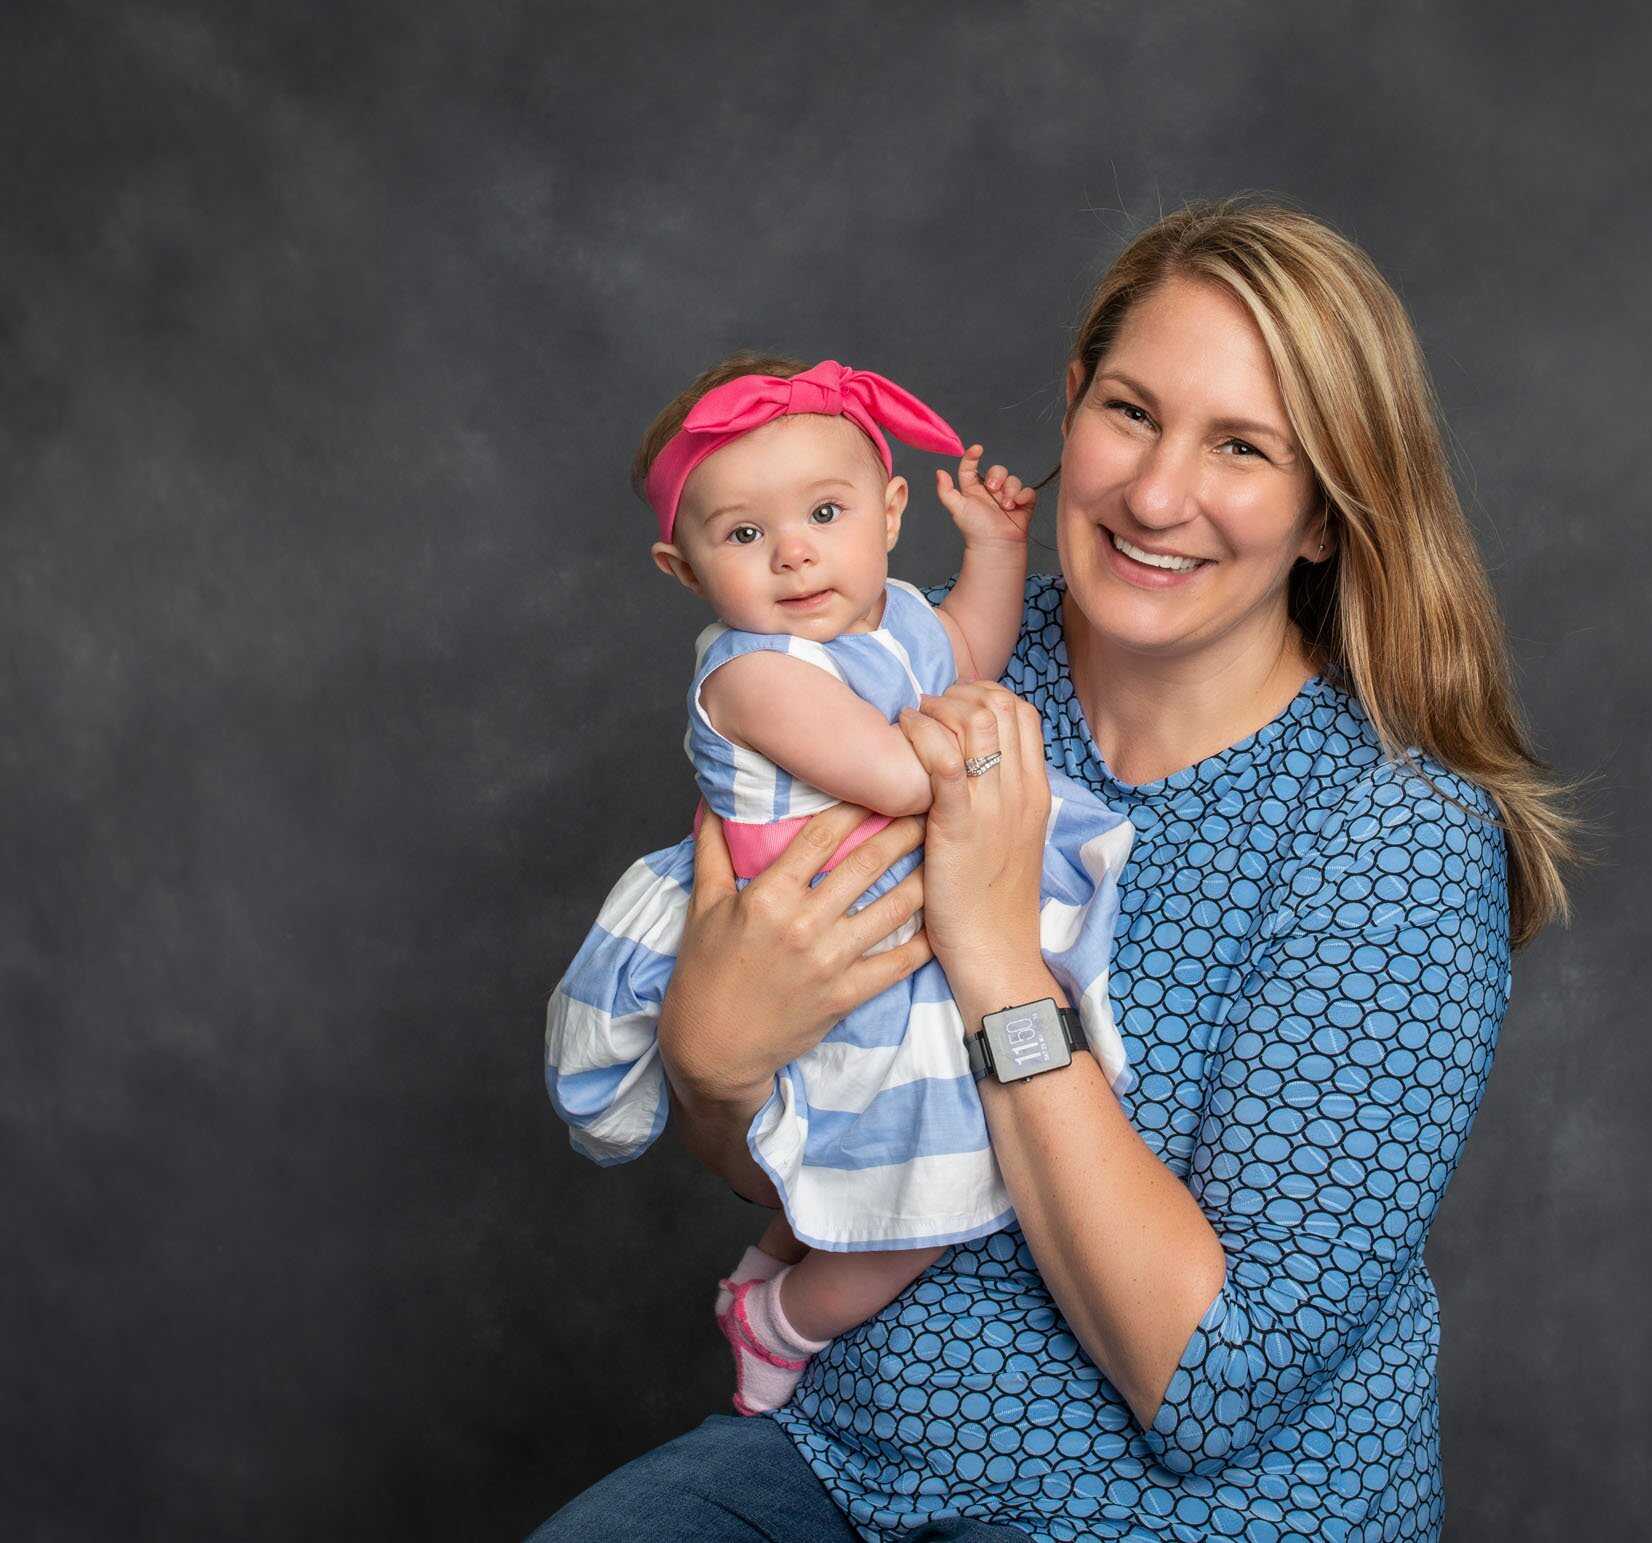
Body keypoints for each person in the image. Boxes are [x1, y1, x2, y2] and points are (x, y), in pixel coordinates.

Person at [534, 197, 1584, 1542]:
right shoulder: (931, 668)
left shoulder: (1394, 841)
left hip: (1186, 1515)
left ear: (1325, 515)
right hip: (854, 1459)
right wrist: (711, 1063)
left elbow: (1209, 1383)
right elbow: (813, 1149)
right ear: (1073, 401)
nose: (1156, 494)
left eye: (1244, 448)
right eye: (1133, 412)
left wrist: (992, 951)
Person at [543, 357, 1134, 1417]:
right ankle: (784, 1320)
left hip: (878, 927)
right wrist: (978, 742)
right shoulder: (754, 672)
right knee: (941, 1189)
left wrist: (995, 550)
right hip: (836, 951)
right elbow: (907, 777)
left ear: (891, 511)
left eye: (824, 511)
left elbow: (966, 653)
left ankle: (770, 1269)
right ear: (682, 569)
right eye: (744, 535)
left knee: (863, 1163)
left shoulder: (890, 618)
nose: (795, 552)